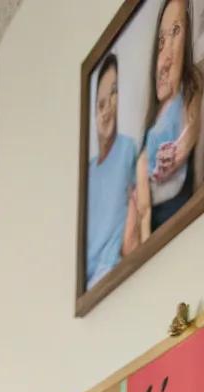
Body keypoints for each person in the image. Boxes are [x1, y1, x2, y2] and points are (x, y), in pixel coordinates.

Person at [123, 0, 202, 251]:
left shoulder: (189, 90)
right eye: (160, 42)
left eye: (176, 32)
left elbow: (193, 125)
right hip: (151, 212)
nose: (165, 57)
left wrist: (178, 152)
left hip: (172, 212)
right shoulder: (153, 121)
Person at [86, 52, 137, 288]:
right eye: (101, 103)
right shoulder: (88, 172)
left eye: (114, 93)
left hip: (113, 273)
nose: (107, 110)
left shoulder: (128, 149)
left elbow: (137, 207)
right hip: (91, 285)